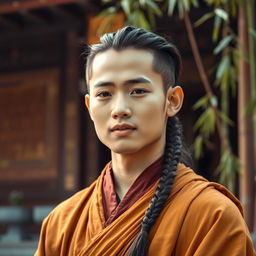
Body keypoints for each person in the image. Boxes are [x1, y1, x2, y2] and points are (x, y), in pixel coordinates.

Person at [35, 26, 255, 256]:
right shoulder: (61, 222)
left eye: (138, 91)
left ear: (172, 100)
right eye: (104, 94)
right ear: (90, 107)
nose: (119, 109)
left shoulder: (212, 216)